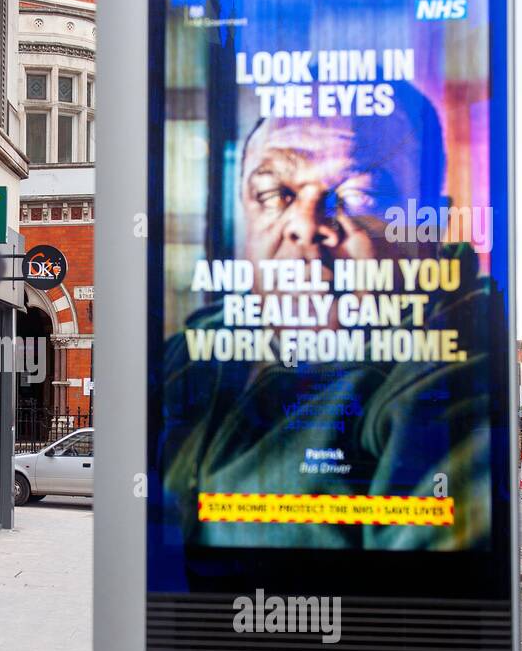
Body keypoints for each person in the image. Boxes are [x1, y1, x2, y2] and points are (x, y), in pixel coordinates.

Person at [163, 83, 494, 554]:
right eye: (275, 193)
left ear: (430, 228)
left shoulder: (451, 365)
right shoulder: (195, 346)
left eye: (360, 192)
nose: (305, 223)